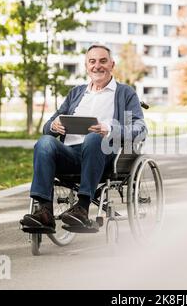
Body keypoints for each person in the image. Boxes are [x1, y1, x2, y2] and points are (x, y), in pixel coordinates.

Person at [20, 44, 147, 233]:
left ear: (112, 64)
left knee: (93, 138)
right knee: (44, 142)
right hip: (69, 154)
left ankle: (82, 207)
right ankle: (45, 212)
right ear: (86, 66)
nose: (98, 66)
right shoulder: (76, 93)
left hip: (103, 155)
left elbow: (140, 127)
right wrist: (54, 125)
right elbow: (48, 127)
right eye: (92, 61)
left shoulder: (125, 93)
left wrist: (109, 129)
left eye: (103, 61)